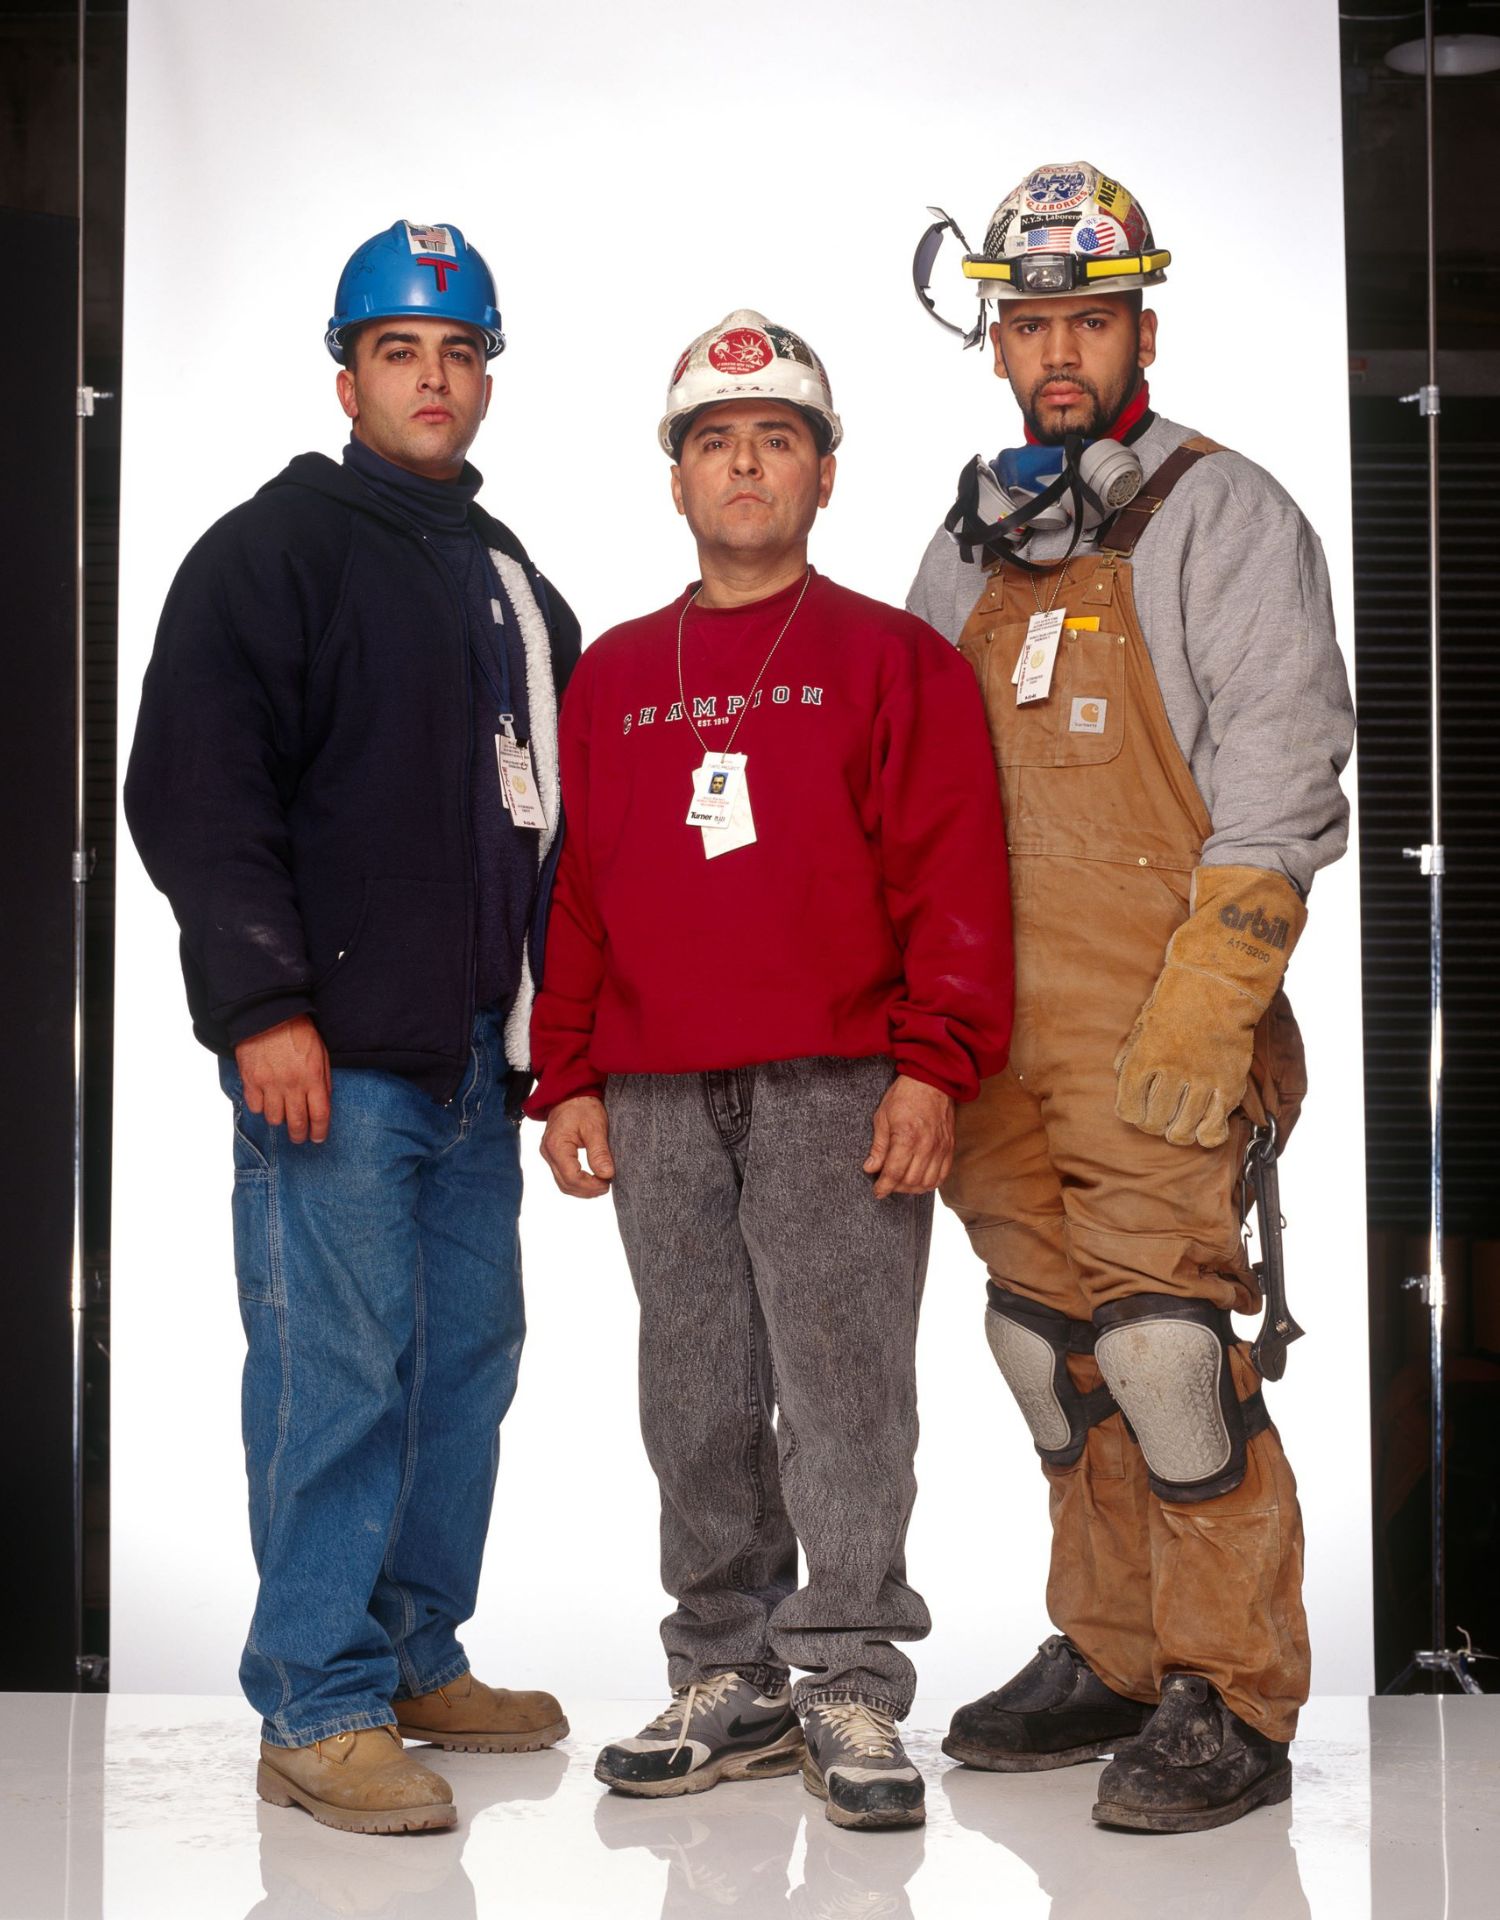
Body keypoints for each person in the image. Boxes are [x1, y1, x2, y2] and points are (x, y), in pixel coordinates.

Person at [907, 162, 1355, 1833]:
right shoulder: (962, 556)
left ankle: (1229, 1690)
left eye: (1088, 318)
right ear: (999, 341)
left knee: (1168, 1349)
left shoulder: (1224, 516)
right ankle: (1109, 1650)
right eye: (1031, 322)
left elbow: (1285, 765)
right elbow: (912, 796)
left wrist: (1216, 997)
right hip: (990, 1032)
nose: (1058, 351)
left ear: (1139, 327)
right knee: (1048, 1349)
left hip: (1153, 1020)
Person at [527, 309, 1013, 1832]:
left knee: (846, 1391)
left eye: (777, 439)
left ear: (822, 474)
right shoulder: (612, 674)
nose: (746, 464)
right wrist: (570, 1076)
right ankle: (726, 1670)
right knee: (699, 1393)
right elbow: (583, 890)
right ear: (677, 480)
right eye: (716, 441)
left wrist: (934, 1066)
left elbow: (954, 877)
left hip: (838, 1080)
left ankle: (852, 1677)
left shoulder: (895, 659)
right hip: (661, 1086)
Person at [125, 220, 578, 1835]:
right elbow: (192, 790)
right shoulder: (272, 552)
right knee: (340, 1373)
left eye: (460, 353)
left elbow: (560, 831)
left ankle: (411, 1656)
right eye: (401, 351)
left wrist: (557, 1046)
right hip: (332, 1060)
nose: (433, 377)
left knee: (464, 1365)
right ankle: (316, 1702)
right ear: (349, 374)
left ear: (486, 378)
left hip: (473, 1059)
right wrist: (262, 1010)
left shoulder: (515, 582)